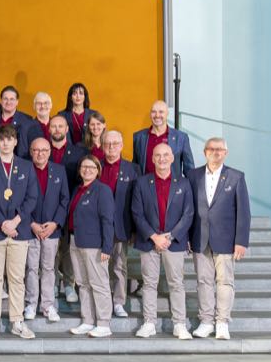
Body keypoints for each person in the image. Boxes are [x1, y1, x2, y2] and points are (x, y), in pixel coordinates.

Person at [0, 125, 38, 339]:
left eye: (9, 139)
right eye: (2, 139)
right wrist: (2, 224)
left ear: (15, 142)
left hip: (19, 232)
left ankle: (17, 321)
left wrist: (15, 221)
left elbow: (32, 198)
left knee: (17, 278)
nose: (5, 143)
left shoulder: (26, 167)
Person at [188, 137, 251, 340]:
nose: (216, 152)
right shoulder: (193, 175)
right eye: (212, 149)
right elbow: (188, 209)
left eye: (220, 149)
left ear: (226, 153)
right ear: (205, 152)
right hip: (199, 238)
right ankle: (206, 321)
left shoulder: (236, 177)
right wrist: (187, 236)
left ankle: (222, 322)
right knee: (203, 281)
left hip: (226, 239)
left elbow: (244, 212)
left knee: (225, 282)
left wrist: (241, 241)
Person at [131, 143, 194, 340]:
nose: (162, 159)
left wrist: (171, 236)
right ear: (152, 158)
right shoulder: (142, 183)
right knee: (149, 284)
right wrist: (154, 236)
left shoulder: (183, 183)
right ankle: (149, 323)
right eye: (157, 155)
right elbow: (137, 213)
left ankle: (180, 324)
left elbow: (188, 213)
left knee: (176, 284)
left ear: (172, 158)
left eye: (166, 155)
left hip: (173, 242)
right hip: (150, 241)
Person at [66, 156, 115, 338]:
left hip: (94, 246)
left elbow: (108, 220)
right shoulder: (77, 190)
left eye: (91, 167)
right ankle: (88, 320)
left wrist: (107, 247)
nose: (87, 170)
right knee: (82, 283)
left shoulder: (102, 191)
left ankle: (103, 323)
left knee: (99, 283)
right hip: (75, 241)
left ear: (98, 170)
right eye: (84, 166)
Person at [24, 137, 68, 323]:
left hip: (51, 231)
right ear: (31, 151)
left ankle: (48, 305)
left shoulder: (59, 171)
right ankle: (31, 304)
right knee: (32, 268)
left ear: (49, 152)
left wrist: (55, 223)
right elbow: (18, 201)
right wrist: (31, 223)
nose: (40, 154)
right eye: (36, 150)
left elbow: (64, 200)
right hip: (30, 229)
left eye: (44, 150)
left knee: (49, 268)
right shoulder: (24, 170)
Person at [99, 130, 140, 318]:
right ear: (101, 145)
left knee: (119, 265)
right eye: (107, 143)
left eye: (115, 143)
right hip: (97, 226)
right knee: (98, 266)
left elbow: (136, 201)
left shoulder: (133, 169)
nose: (111, 147)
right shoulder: (94, 166)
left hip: (120, 226)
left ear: (122, 146)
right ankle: (102, 299)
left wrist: (134, 229)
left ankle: (118, 302)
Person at [133, 100, 195, 176]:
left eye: (161, 112)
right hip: (145, 187)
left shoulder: (181, 138)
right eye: (153, 112)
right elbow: (135, 169)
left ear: (167, 114)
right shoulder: (139, 137)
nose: (157, 115)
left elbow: (190, 170)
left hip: (172, 187)